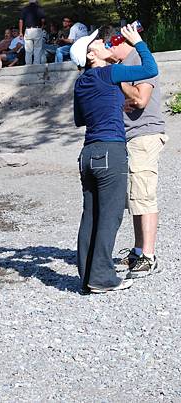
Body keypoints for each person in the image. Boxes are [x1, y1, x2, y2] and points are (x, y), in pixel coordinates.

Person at [71, 25, 157, 293]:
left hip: (87, 154)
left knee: (91, 216)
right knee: (109, 218)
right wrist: (139, 42)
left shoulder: (81, 82)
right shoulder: (109, 73)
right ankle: (102, 278)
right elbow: (150, 69)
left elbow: (80, 120)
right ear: (91, 56)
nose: (103, 43)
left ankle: (87, 277)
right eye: (96, 43)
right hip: (111, 151)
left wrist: (107, 103)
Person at [106, 27, 168, 278]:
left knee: (144, 194)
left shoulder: (139, 60)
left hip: (145, 134)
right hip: (130, 136)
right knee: (134, 197)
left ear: (120, 42)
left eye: (110, 46)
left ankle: (149, 257)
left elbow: (140, 100)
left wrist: (119, 85)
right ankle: (138, 249)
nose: (108, 53)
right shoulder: (125, 62)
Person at [19, 0, 46, 65]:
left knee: (28, 50)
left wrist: (20, 32)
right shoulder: (39, 8)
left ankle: (28, 65)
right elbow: (43, 20)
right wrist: (42, 27)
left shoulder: (25, 9)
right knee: (37, 49)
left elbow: (21, 21)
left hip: (28, 30)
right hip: (37, 29)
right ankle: (36, 65)